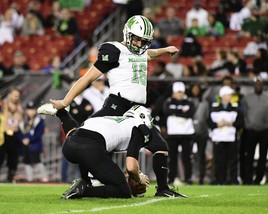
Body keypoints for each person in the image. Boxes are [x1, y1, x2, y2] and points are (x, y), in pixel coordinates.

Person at [39, 15, 186, 198]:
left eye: (143, 41)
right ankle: (87, 181)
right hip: (117, 105)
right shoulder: (114, 50)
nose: (140, 44)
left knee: (159, 143)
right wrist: (65, 101)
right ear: (127, 33)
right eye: (137, 39)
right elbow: (88, 78)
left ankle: (162, 188)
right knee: (89, 136)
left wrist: (164, 50)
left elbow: (148, 54)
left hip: (136, 108)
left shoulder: (140, 51)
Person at [38, 104, 157, 199]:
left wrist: (126, 175)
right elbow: (131, 167)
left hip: (69, 147)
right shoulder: (139, 129)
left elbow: (77, 133)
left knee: (78, 137)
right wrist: (138, 178)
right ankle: (84, 190)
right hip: (90, 149)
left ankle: (62, 113)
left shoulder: (110, 119)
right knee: (123, 190)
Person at [241, 77, 268, 185]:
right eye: (256, 84)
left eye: (260, 84)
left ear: (263, 86)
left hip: (265, 130)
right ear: (253, 86)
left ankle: (258, 179)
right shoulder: (247, 98)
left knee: (263, 155)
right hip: (251, 130)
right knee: (249, 155)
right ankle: (247, 179)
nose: (258, 86)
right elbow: (244, 113)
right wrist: (247, 125)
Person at [208, 86, 243, 185]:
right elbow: (209, 122)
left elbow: (241, 122)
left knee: (232, 160)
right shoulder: (214, 107)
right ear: (222, 96)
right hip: (218, 138)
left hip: (231, 138)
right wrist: (217, 124)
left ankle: (232, 179)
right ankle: (219, 179)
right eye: (228, 95)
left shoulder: (235, 107)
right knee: (219, 161)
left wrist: (231, 123)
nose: (229, 97)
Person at [163, 82, 196, 185]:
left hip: (187, 133)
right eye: (177, 92)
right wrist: (182, 112)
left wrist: (175, 112)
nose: (179, 94)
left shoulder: (189, 102)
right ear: (173, 92)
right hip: (173, 133)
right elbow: (166, 111)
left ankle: (188, 178)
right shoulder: (168, 101)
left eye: (181, 92)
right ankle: (171, 178)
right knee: (172, 158)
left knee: (187, 158)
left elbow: (190, 113)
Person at [18, 101, 48, 182]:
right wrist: (22, 139)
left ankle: (45, 178)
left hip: (35, 145)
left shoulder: (39, 120)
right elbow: (19, 132)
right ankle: (30, 178)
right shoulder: (23, 120)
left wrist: (29, 139)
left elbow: (40, 133)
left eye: (33, 109)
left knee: (38, 161)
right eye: (29, 109)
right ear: (26, 110)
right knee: (26, 162)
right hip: (25, 146)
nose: (31, 111)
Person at [0, 86, 23, 182]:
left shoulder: (20, 107)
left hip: (15, 135)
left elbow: (21, 122)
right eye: (14, 95)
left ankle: (11, 178)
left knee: (13, 159)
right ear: (9, 95)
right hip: (3, 135)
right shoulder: (3, 105)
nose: (16, 97)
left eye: (17, 95)